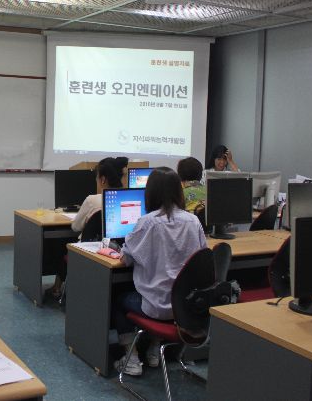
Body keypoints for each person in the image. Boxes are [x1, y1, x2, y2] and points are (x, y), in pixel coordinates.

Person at [113, 167, 207, 376]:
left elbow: (126, 259)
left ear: (151, 193)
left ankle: (131, 359)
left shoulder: (148, 222)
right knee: (166, 289)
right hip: (185, 307)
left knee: (118, 299)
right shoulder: (193, 221)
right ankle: (155, 348)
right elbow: (203, 256)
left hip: (155, 307)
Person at [47, 157, 128, 300]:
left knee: (59, 245)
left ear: (102, 179)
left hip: (92, 250)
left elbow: (75, 226)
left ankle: (57, 288)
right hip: (118, 249)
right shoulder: (128, 198)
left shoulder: (92, 200)